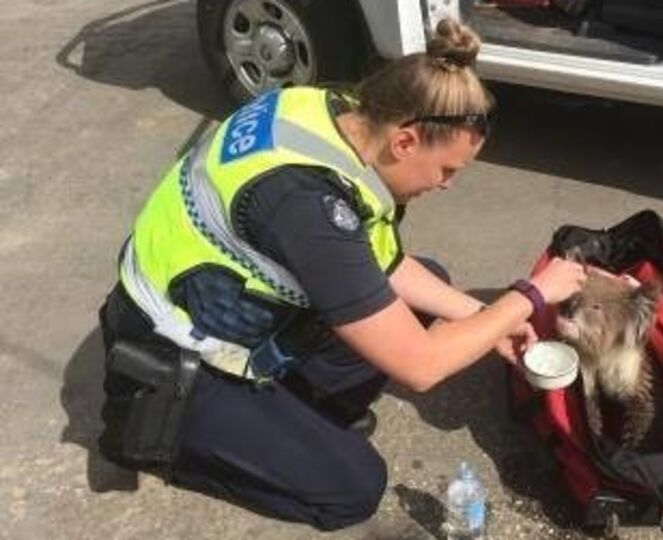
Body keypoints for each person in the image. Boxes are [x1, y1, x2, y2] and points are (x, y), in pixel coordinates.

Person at [96, 19, 585, 530]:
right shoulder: (305, 206)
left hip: (216, 305)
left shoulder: (334, 111)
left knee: (431, 288)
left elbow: (383, 261)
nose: (447, 185)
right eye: (447, 170)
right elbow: (421, 366)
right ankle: (158, 438)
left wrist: (484, 316)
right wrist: (528, 296)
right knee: (351, 488)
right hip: (171, 354)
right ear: (404, 142)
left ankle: (300, 416)